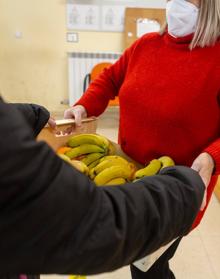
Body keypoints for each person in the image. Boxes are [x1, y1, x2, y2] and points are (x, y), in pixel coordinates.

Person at [64, 0, 220, 278]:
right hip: (128, 172)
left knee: (146, 269)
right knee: (145, 265)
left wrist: (212, 157)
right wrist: (84, 106)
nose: (177, 3)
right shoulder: (146, 45)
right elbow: (109, 79)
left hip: (176, 188)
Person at [0, 96, 205, 275]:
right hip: (177, 186)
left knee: (152, 264)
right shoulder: (141, 49)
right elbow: (89, 222)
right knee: (147, 265)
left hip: (184, 177)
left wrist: (29, 114)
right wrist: (185, 190)